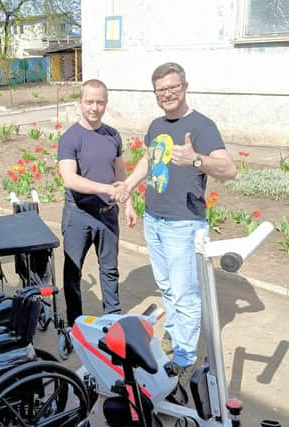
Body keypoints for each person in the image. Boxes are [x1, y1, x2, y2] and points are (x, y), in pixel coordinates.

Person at [122, 62, 237, 380]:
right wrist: (129, 185)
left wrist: (196, 159)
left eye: (172, 87)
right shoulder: (157, 125)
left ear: (184, 86)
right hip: (155, 220)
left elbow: (229, 170)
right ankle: (176, 336)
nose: (167, 94)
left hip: (184, 224)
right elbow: (150, 158)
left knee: (185, 293)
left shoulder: (202, 126)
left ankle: (183, 358)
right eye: (161, 90)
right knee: (168, 289)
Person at [58, 79, 136, 328]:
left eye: (100, 102)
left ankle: (113, 320)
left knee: (110, 271)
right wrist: (106, 189)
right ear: (80, 103)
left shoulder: (112, 135)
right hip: (78, 215)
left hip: (107, 216)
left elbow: (120, 173)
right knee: (72, 273)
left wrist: (128, 201)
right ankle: (75, 325)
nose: (94, 107)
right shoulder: (70, 138)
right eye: (89, 102)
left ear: (106, 104)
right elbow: (70, 179)